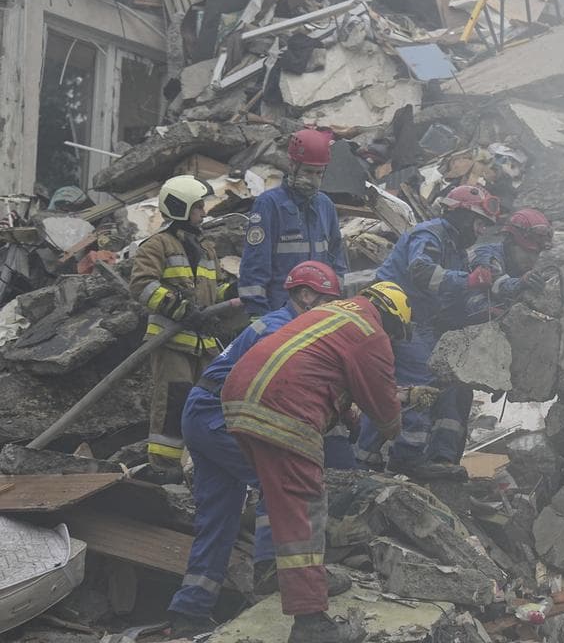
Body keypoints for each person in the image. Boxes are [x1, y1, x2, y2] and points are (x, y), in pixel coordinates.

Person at [221, 283, 409, 643]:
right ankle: (310, 621)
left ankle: (303, 579)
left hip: (239, 396)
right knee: (304, 506)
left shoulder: (331, 313)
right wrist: (393, 424)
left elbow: (321, 372)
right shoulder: (372, 333)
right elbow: (385, 410)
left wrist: (345, 413)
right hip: (284, 406)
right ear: (391, 319)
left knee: (282, 498)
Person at [167, 262, 342, 636]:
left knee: (219, 516)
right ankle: (273, 571)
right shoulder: (285, 331)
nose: (331, 312)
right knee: (279, 481)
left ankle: (188, 611)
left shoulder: (276, 323)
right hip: (221, 415)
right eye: (327, 301)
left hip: (203, 413)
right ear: (306, 295)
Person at [353, 186, 501, 481]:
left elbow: (452, 295)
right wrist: (469, 280)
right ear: (459, 214)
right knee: (421, 379)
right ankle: (406, 458)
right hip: (394, 314)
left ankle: (381, 457)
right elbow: (422, 272)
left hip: (418, 320)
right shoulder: (431, 233)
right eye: (478, 222)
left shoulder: (456, 249)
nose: (480, 230)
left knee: (437, 382)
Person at [129, 175, 224, 482]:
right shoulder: (158, 245)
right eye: (198, 207)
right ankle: (163, 469)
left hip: (204, 344)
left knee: (208, 402)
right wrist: (180, 308)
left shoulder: (206, 247)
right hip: (171, 343)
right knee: (173, 401)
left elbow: (215, 290)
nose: (204, 213)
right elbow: (142, 286)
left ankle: (199, 464)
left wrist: (230, 298)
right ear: (180, 208)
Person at [239, 127, 348, 318]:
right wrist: (259, 316)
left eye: (319, 173)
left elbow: (336, 258)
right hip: (280, 312)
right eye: (308, 171)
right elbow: (255, 266)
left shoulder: (325, 205)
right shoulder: (268, 205)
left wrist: (334, 299)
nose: (314, 180)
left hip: (319, 311)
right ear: (292, 165)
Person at [462, 207, 552, 318]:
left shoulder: (517, 264)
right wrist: (521, 283)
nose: (533, 260)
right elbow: (497, 285)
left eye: (537, 254)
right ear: (511, 242)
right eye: (528, 252)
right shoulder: (486, 255)